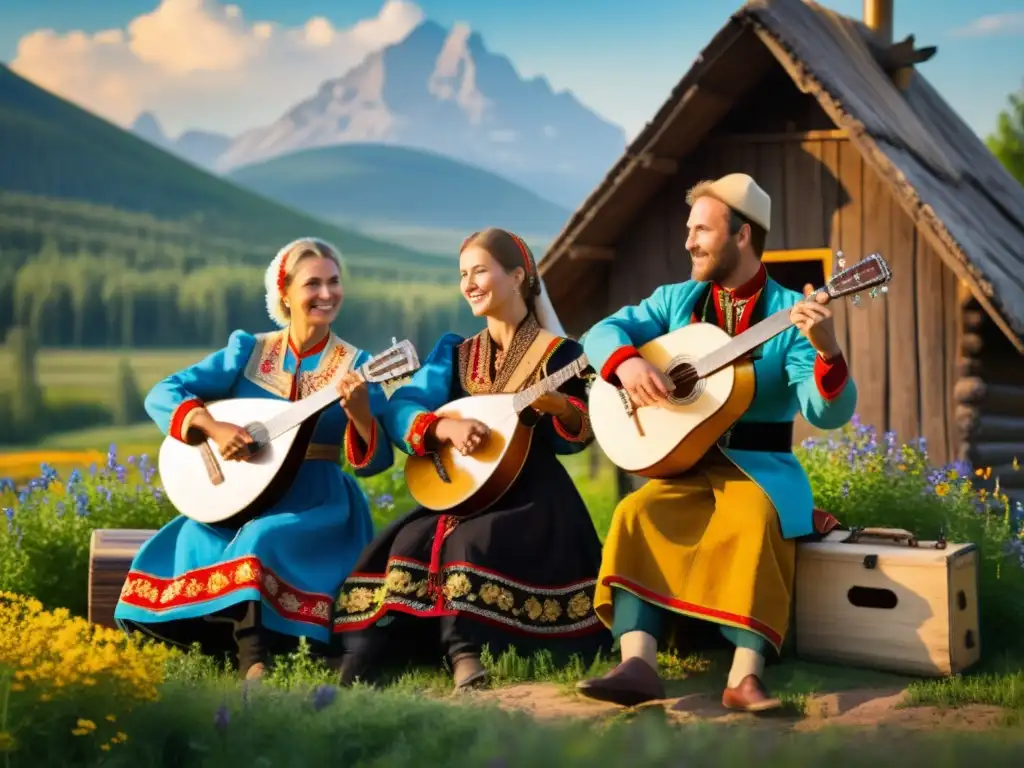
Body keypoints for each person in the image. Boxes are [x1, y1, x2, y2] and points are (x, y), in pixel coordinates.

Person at [575, 174, 857, 712]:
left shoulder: (789, 316)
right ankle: (637, 663)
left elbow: (826, 411)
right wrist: (627, 361)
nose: (688, 242)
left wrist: (828, 350)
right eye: (689, 230)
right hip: (687, 468)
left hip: (759, 471)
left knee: (752, 517)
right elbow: (603, 331)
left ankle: (744, 676)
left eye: (701, 230)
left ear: (742, 235)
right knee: (636, 511)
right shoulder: (677, 301)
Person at [330, 228, 612, 692]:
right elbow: (404, 407)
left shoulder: (563, 355)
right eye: (463, 274)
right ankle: (366, 661)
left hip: (533, 498)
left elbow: (576, 436)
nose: (469, 284)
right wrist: (444, 427)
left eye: (480, 270)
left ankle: (464, 655)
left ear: (518, 275)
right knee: (408, 542)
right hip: (460, 489)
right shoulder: (455, 353)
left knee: (470, 545)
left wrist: (561, 408)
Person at [115, 237, 394, 680]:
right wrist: (212, 426)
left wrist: (360, 415)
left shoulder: (358, 365)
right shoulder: (248, 351)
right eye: (313, 283)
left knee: (262, 539)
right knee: (190, 537)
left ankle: (254, 662)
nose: (326, 293)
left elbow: (376, 461)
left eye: (334, 282)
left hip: (318, 503)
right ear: (284, 292)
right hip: (241, 495)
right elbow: (162, 393)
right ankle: (220, 645)